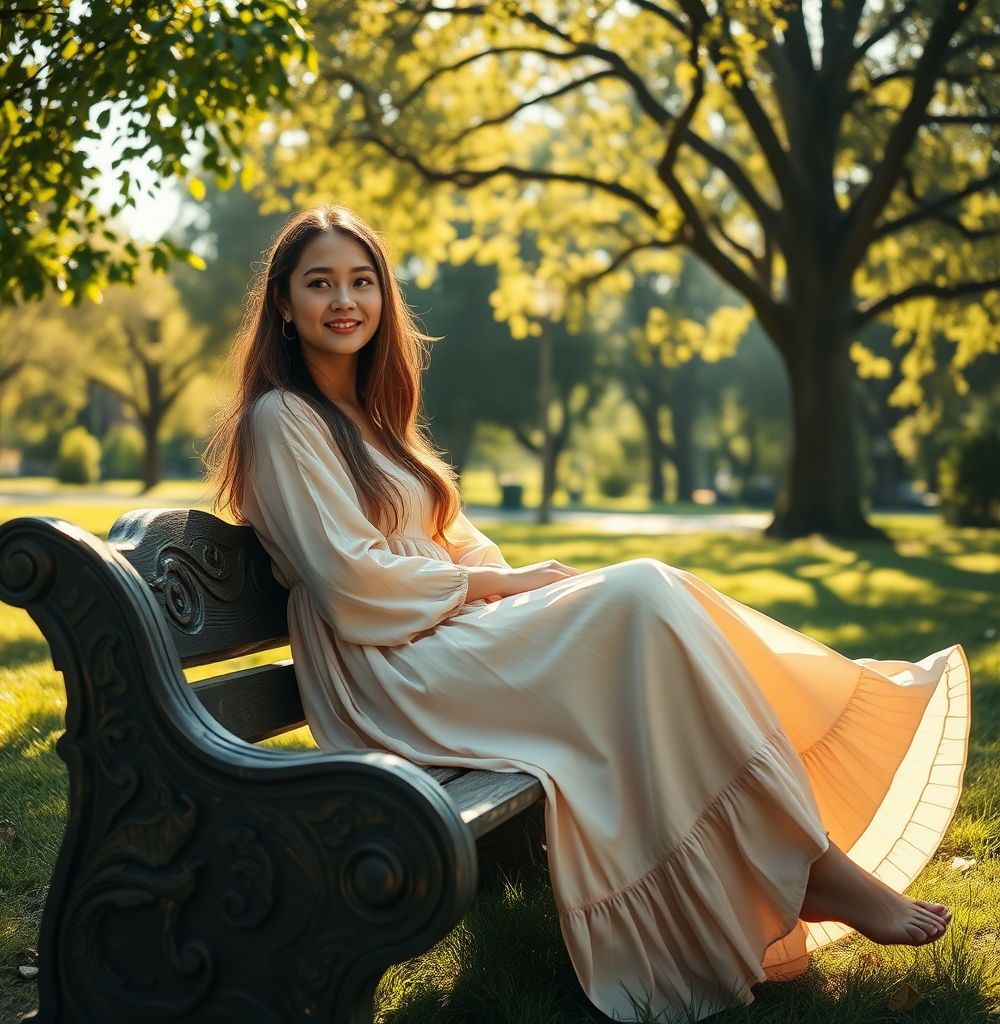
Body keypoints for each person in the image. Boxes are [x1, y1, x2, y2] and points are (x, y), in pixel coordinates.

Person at [204, 204, 969, 1022]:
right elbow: (352, 583)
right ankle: (807, 866)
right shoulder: (283, 419)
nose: (344, 300)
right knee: (639, 596)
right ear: (283, 304)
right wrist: (498, 592)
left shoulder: (378, 419)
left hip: (439, 635)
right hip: (392, 668)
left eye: (362, 282)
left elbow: (457, 545)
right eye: (320, 284)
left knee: (649, 611)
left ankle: (801, 861)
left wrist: (515, 586)